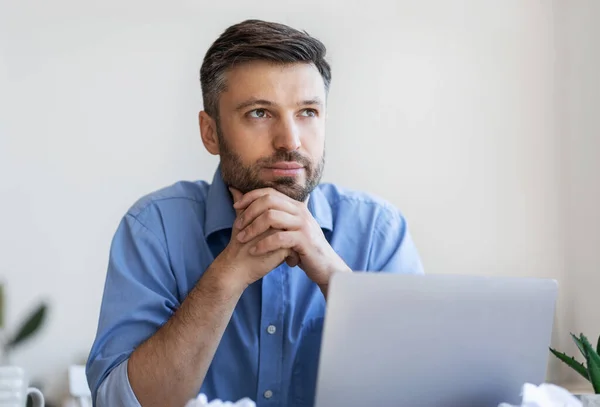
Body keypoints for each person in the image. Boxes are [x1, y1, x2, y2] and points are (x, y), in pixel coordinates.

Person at [85, 19, 424, 407]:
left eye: (308, 112)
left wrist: (334, 277)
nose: (290, 141)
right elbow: (118, 403)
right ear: (210, 132)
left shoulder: (380, 233)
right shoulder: (153, 229)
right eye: (260, 113)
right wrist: (228, 274)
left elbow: (425, 392)